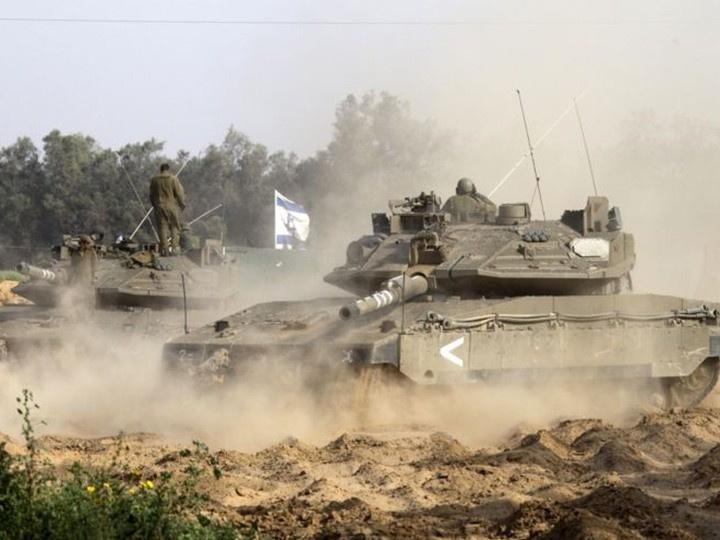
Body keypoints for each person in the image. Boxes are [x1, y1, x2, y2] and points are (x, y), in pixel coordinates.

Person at [149, 163, 185, 256]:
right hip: (171, 206)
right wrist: (182, 204)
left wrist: (154, 205)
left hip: (159, 206)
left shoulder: (154, 180)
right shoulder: (173, 179)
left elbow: (151, 195)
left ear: (161, 170)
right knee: (174, 226)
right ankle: (174, 248)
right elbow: (179, 193)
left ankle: (164, 249)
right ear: (168, 169)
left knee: (162, 227)